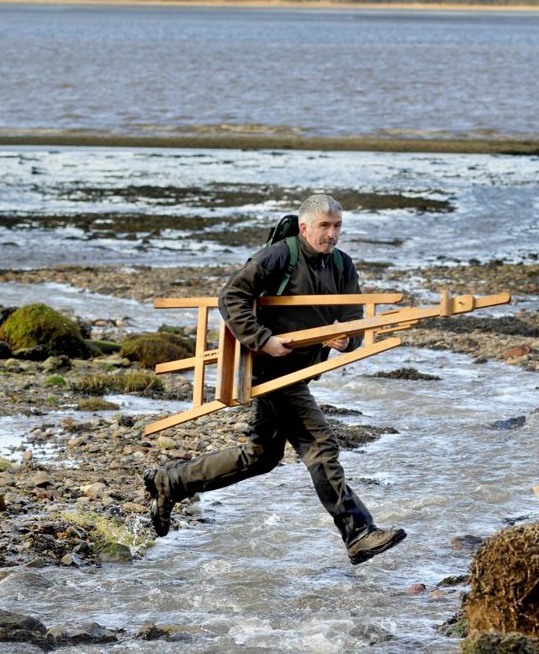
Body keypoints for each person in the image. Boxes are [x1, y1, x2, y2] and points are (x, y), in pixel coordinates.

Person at [144, 194, 406, 565]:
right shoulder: (280, 256)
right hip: (269, 368)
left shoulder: (342, 265)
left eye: (337, 226)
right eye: (324, 226)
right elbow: (232, 296)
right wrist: (263, 339)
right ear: (304, 227)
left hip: (300, 370)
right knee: (320, 444)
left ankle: (170, 482)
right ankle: (358, 532)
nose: (332, 234)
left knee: (261, 456)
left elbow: (354, 319)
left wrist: (346, 339)